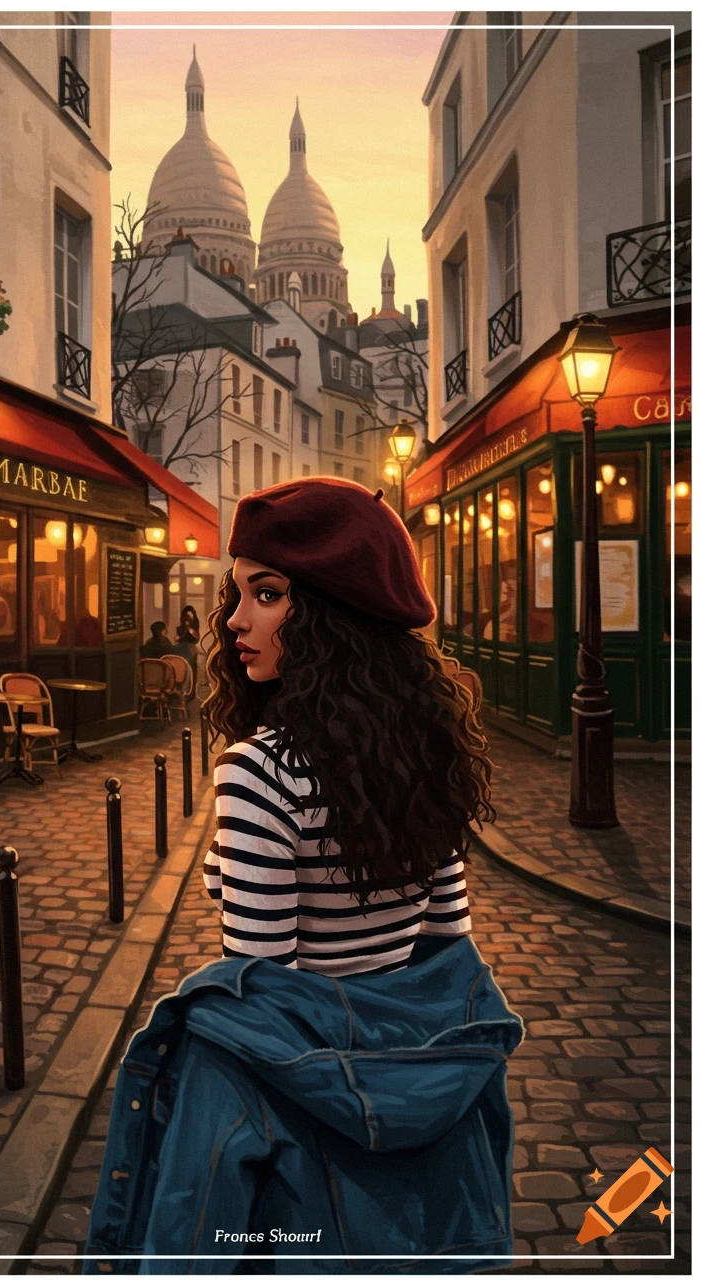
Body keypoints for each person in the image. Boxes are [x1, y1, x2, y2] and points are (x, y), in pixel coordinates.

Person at [84, 478, 523, 1274]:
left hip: (306, 1113)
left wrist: (230, 876)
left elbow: (266, 991)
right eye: (238, 594)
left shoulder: (259, 773)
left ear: (329, 616)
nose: (236, 620)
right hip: (426, 1091)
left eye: (268, 594)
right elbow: (446, 946)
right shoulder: (429, 754)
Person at [173, 604, 200, 696]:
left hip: (191, 649)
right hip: (182, 649)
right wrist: (177, 638)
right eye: (186, 618)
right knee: (182, 668)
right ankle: (182, 688)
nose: (187, 620)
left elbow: (196, 639)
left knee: (192, 669)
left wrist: (193, 633)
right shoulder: (180, 628)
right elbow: (177, 639)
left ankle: (191, 690)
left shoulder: (194, 628)